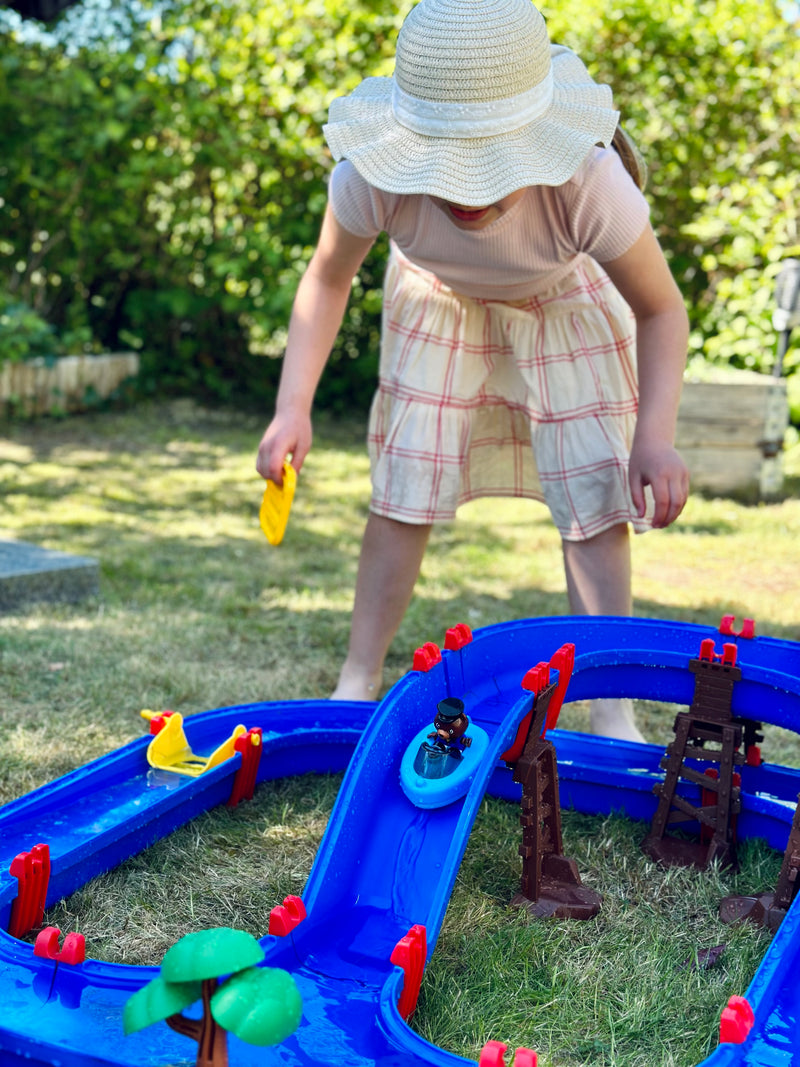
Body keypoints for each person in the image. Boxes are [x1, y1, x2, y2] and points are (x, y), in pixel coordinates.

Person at [256, 0, 690, 741]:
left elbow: (662, 310)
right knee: (404, 486)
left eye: (489, 167)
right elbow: (327, 278)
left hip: (562, 301)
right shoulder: (371, 178)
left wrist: (654, 435)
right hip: (437, 299)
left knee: (594, 492)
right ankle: (357, 678)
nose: (466, 193)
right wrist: (291, 406)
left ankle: (610, 706)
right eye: (447, 164)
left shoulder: (588, 185)